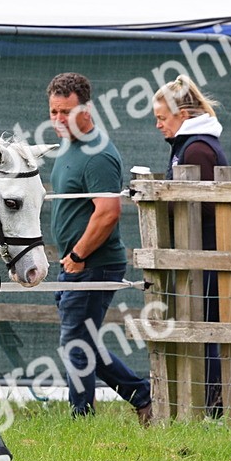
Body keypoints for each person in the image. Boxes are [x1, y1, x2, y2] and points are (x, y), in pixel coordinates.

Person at [47, 72, 153, 425]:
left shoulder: (99, 155)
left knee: (74, 343)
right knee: (84, 342)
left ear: (87, 108)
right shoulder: (69, 148)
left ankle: (82, 419)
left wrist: (78, 257)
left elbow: (107, 213)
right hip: (73, 263)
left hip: (94, 264)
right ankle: (142, 395)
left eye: (67, 112)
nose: (59, 120)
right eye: (53, 112)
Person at [153, 74, 230, 418]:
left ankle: (213, 409)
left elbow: (195, 208)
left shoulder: (197, 149)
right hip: (201, 254)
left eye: (162, 118)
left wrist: (158, 203)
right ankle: (205, 405)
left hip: (208, 255)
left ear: (182, 116)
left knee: (207, 330)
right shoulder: (190, 145)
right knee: (202, 329)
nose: (158, 125)